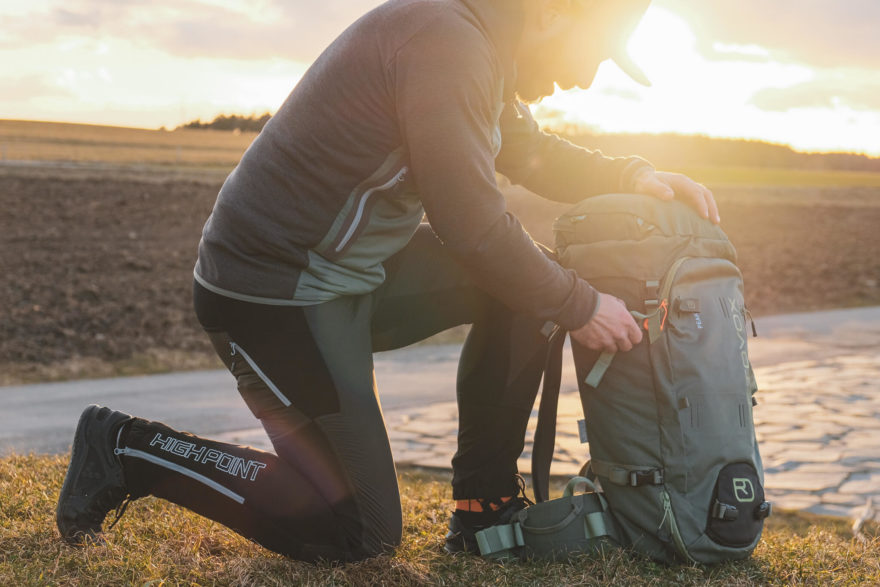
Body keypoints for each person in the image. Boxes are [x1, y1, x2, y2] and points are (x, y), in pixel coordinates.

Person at [56, 0, 719, 562]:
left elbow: (530, 151)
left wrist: (632, 175)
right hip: (272, 293)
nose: (584, 78)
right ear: (549, 13)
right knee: (361, 530)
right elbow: (472, 226)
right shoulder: (448, 44)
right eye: (593, 53)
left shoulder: (477, 44)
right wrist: (578, 303)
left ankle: (482, 507)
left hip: (349, 278)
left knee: (524, 284)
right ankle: (126, 446)